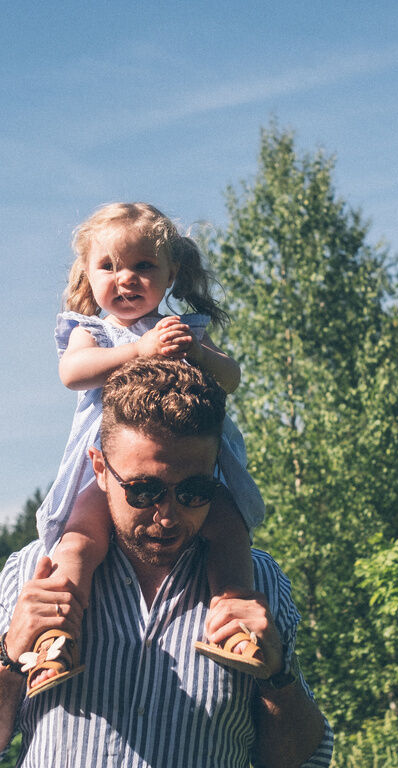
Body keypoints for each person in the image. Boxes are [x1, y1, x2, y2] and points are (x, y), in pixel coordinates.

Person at [0, 357, 333, 767]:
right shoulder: (33, 572)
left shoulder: (258, 580)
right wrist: (10, 658)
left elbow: (301, 761)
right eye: (143, 491)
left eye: (194, 490)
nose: (168, 515)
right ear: (100, 469)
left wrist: (279, 677)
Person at [22, 202, 266, 696]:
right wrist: (138, 350)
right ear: (87, 275)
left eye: (143, 266)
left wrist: (195, 351)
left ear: (172, 274)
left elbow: (232, 376)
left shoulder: (182, 330)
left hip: (191, 468)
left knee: (229, 529)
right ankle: (56, 637)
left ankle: (234, 621)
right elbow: (73, 374)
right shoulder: (90, 331)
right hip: (106, 473)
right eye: (108, 266)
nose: (125, 278)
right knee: (79, 541)